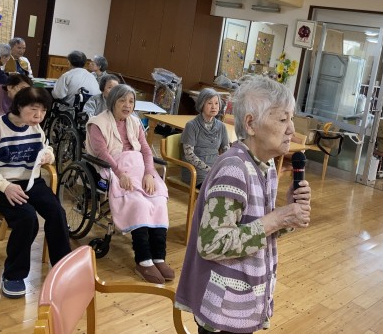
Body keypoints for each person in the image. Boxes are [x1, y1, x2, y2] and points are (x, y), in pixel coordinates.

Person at [175, 76, 312, 334]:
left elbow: (257, 228)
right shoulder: (234, 170)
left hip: (241, 302)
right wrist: (277, 219)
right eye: (282, 119)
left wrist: (287, 215)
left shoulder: (266, 166)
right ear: (250, 124)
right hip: (222, 309)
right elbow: (212, 243)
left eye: (291, 118)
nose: (291, 129)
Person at [0, 87, 71, 299]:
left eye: (43, 111)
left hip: (29, 181)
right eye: (34, 109)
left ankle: (62, 267)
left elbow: (45, 147)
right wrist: (5, 186)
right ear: (18, 106)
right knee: (27, 217)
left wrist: (49, 156)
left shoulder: (35, 127)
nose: (39, 116)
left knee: (57, 212)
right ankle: (13, 275)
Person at [85, 84, 174, 284]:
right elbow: (102, 153)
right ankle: (143, 261)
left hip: (140, 168)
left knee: (159, 201)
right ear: (112, 101)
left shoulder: (135, 122)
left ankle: (158, 257)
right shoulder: (97, 123)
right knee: (139, 203)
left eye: (131, 101)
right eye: (122, 100)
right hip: (115, 167)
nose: (127, 105)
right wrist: (120, 173)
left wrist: (149, 173)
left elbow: (146, 150)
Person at [181, 88, 230, 188]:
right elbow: (189, 155)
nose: (214, 107)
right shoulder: (191, 125)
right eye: (209, 103)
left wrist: (223, 167)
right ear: (202, 104)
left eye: (216, 103)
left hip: (215, 167)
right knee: (216, 189)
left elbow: (226, 151)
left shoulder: (221, 126)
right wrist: (209, 169)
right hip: (195, 170)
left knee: (232, 186)